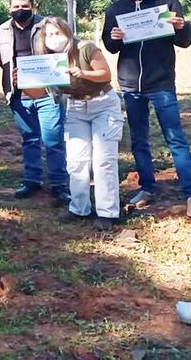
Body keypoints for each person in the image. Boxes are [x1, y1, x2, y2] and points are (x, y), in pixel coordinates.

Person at [102, 0, 191, 219]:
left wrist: (183, 27)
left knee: (175, 137)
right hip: (130, 84)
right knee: (139, 139)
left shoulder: (167, 3)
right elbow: (110, 46)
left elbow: (183, 41)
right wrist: (113, 38)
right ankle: (147, 187)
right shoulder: (116, 9)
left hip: (161, 82)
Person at [37, 17, 122, 231]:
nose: (53, 38)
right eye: (49, 35)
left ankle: (107, 213)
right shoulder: (47, 59)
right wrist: (23, 82)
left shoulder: (85, 48)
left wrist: (83, 73)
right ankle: (79, 208)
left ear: (67, 32)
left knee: (103, 161)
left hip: (103, 104)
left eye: (58, 33)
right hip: (76, 108)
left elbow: (106, 74)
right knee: (77, 160)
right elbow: (38, 91)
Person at [0, 0, 69, 204]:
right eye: (16, 7)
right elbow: (2, 60)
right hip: (18, 95)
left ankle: (59, 184)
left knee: (53, 140)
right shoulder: (1, 30)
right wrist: (14, 75)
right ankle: (32, 180)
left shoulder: (47, 26)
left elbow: (64, 49)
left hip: (48, 92)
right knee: (30, 139)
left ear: (33, 7)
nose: (20, 10)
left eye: (24, 6)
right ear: (9, 9)